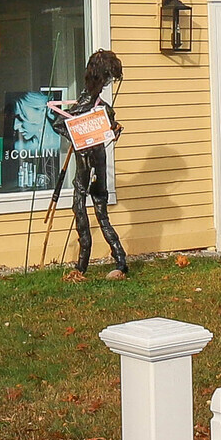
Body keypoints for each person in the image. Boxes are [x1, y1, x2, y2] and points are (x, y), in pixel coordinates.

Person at [52, 48, 129, 279]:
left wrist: (110, 131)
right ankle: (94, 262)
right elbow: (59, 123)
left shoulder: (102, 107)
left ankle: (104, 262)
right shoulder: (88, 105)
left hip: (95, 166)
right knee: (86, 210)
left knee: (97, 210)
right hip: (86, 166)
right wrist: (77, 137)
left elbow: (110, 129)